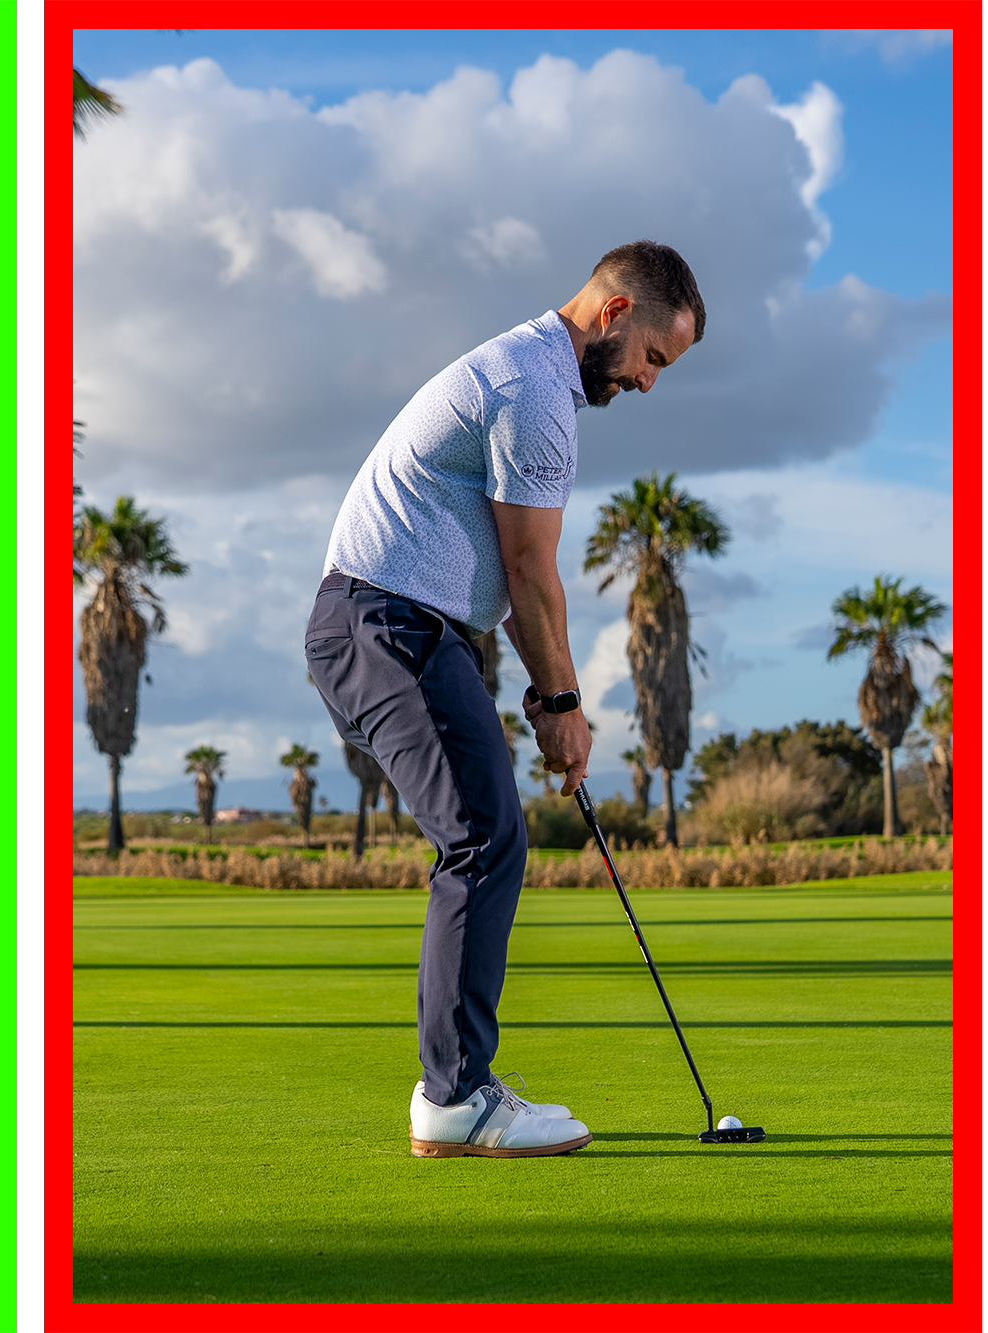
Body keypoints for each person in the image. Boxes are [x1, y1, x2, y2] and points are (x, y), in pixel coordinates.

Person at [304, 241, 704, 1158]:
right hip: (388, 623)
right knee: (484, 839)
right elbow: (531, 570)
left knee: (484, 836)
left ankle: (458, 1088)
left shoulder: (533, 371)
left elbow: (517, 575)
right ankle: (454, 1096)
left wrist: (541, 689)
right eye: (654, 358)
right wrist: (561, 700)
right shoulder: (532, 390)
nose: (648, 383)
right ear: (615, 314)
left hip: (407, 627)